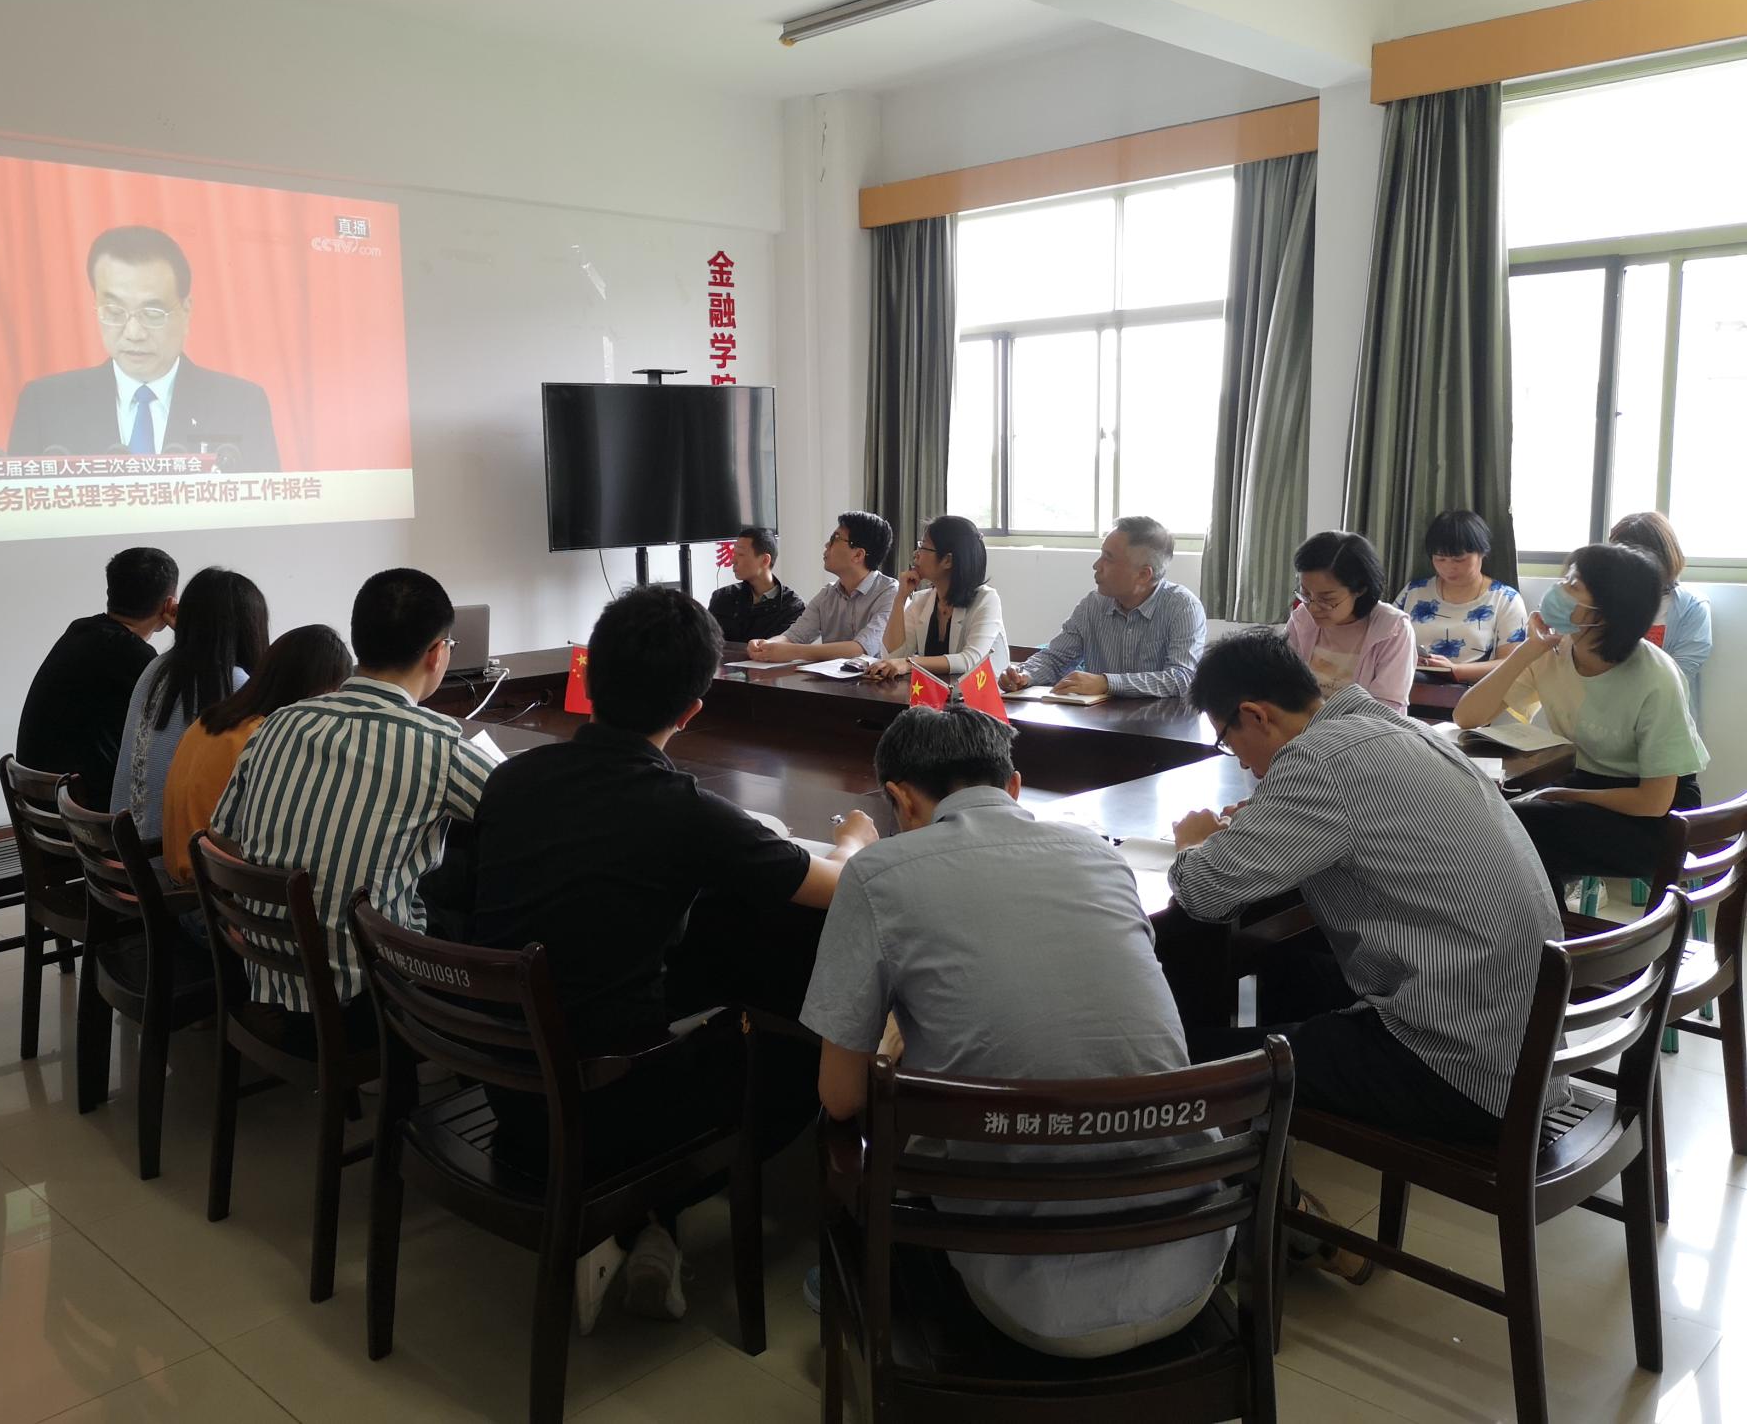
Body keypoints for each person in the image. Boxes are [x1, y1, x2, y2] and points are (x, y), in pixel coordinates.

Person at [466, 585, 878, 1331]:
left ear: (589, 679)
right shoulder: (682, 810)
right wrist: (855, 836)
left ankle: (644, 1226)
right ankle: (639, 1214)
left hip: (505, 1086)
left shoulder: (510, 779)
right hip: (600, 1107)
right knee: (794, 1041)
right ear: (692, 709)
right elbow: (841, 888)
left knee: (698, 960)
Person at [803, 703, 1230, 1358]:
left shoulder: (876, 873)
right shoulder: (1101, 855)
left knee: (881, 1109)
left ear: (900, 799)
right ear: (1014, 786)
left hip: (1027, 1296)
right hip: (1193, 1259)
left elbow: (842, 1097)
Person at [1166, 632, 1559, 1161]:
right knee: (1285, 971)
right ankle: (1275, 1143)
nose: (1239, 763)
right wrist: (1269, 824)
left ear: (1256, 716)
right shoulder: (1396, 729)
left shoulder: (1319, 760)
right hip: (1520, 1046)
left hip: (1460, 1071)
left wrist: (1194, 844)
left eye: (1227, 741)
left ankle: (1235, 1178)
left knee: (1192, 1053)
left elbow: (1205, 893)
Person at [210, 568, 495, 1049]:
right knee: (484, 894)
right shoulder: (438, 745)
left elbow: (221, 837)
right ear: (436, 653)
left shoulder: (279, 722)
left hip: (266, 976)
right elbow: (523, 812)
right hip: (370, 998)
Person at [1457, 542, 1706, 889]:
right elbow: (1467, 716)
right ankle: (1540, 920)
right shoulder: (1554, 651)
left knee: (1519, 827)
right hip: (1591, 785)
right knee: (1490, 816)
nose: (1558, 589)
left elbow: (1654, 800)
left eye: (1573, 584)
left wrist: (1567, 795)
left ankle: (1537, 922)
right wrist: (1528, 650)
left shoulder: (1657, 677)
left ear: (1604, 612)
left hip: (1658, 818)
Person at [7, 225, 281, 469]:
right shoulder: (45, 405)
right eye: (114, 311)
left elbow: (269, 508)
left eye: (152, 313)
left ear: (186, 311)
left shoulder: (241, 405)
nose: (133, 333)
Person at [161, 624, 353, 886]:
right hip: (210, 893)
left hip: (179, 877)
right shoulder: (267, 739)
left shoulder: (209, 720)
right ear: (314, 688)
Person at [111, 566, 269, 839]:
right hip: (171, 854)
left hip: (127, 845)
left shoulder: (157, 667)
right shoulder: (233, 685)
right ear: (251, 627)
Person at [17, 547, 179, 809]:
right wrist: (187, 633)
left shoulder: (80, 630)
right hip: (81, 815)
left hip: (40, 803)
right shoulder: (132, 655)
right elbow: (183, 713)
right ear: (169, 604)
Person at [996, 516, 1205, 699]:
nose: (1096, 565)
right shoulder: (1093, 604)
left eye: (1108, 558)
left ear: (1143, 574)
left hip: (1160, 726)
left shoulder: (1183, 608)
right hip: (1098, 722)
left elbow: (1182, 678)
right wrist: (1024, 674)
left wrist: (1107, 683)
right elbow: (1056, 658)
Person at [1285, 530, 1416, 714]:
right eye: (1305, 594)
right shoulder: (1302, 619)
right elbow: (1282, 687)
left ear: (1360, 589)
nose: (1312, 608)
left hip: (1365, 730)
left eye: (1327, 599)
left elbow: (1385, 710)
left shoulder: (1392, 629)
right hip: (1302, 729)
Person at [864, 514, 1008, 681]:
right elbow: (893, 657)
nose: (916, 554)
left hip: (983, 694)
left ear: (947, 560)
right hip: (936, 695)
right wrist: (900, 598)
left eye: (923, 547)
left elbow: (970, 660)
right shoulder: (921, 601)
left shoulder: (986, 600)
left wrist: (910, 663)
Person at [744, 511, 896, 662]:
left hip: (874, 677)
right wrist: (766, 645)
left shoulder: (889, 592)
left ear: (858, 555)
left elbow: (861, 649)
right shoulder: (827, 594)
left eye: (835, 538)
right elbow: (793, 636)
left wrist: (794, 652)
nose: (827, 545)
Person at [1394, 509, 1527, 681]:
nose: (1449, 568)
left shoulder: (1506, 599)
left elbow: (1512, 663)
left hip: (1470, 689)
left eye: (1459, 560)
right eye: (1440, 559)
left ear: (1481, 553)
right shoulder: (1414, 591)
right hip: (1408, 684)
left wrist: (1455, 670)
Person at [1609, 510, 1711, 717]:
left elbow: (1679, 675)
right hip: (1609, 718)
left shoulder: (1692, 607)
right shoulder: (1607, 600)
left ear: (1663, 558)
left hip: (1664, 719)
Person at [705, 525, 805, 643]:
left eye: (741, 554)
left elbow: (785, 648)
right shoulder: (722, 597)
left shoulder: (792, 606)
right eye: (734, 553)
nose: (733, 560)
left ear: (765, 560)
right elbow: (709, 644)